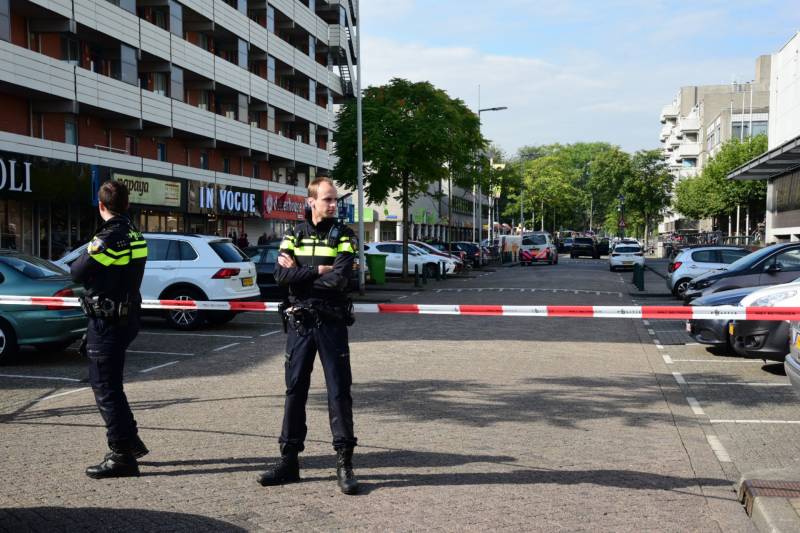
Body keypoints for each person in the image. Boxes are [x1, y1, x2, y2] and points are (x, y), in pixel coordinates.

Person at [258, 177, 359, 495]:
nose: (333, 205)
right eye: (327, 199)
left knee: (338, 392)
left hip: (330, 322)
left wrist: (299, 278)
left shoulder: (343, 235)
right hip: (300, 323)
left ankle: (344, 463)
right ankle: (289, 462)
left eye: (335, 200)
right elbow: (279, 276)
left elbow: (341, 280)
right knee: (295, 391)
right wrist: (317, 272)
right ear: (311, 201)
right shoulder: (294, 234)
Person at [70, 180, 148, 479]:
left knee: (105, 389)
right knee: (113, 386)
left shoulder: (108, 237)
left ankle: (121, 456)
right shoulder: (134, 233)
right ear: (127, 204)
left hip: (108, 320)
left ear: (101, 206)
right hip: (127, 317)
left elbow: (77, 271)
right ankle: (130, 440)